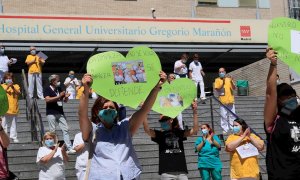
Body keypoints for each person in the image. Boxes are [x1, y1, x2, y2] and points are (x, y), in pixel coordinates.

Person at [79, 71, 167, 179]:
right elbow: (82, 115)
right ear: (97, 112)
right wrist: (86, 89)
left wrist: (156, 88)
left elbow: (144, 110)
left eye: (111, 108)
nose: (108, 110)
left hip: (129, 176)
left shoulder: (125, 127)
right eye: (105, 108)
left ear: (116, 111)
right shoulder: (92, 130)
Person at [264, 47, 300, 179]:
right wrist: (273, 64)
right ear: (278, 101)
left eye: (292, 94)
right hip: (282, 176)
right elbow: (270, 93)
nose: (291, 98)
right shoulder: (274, 120)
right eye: (286, 96)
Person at [143, 101, 198, 180]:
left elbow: (194, 130)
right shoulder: (160, 134)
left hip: (182, 172)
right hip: (166, 173)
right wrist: (144, 112)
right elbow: (147, 130)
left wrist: (195, 112)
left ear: (171, 120)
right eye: (161, 121)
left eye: (164, 120)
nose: (162, 123)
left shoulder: (179, 133)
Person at [44, 74, 75, 154]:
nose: (58, 81)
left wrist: (66, 97)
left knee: (65, 129)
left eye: (58, 80)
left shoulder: (59, 88)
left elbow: (64, 100)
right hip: (51, 112)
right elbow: (47, 100)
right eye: (56, 80)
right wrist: (58, 97)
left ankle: (69, 147)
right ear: (52, 81)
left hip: (60, 112)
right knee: (52, 131)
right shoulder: (47, 89)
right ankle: (52, 148)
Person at [214, 67, 236, 134]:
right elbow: (217, 89)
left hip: (230, 100)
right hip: (223, 100)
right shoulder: (217, 80)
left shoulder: (229, 79)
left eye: (222, 72)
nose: (221, 73)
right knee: (224, 115)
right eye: (220, 72)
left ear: (225, 72)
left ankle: (233, 127)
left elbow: (234, 88)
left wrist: (232, 81)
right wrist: (222, 83)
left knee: (232, 115)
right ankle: (225, 129)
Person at [1, 72, 21, 143]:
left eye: (10, 78)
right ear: (4, 79)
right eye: (7, 79)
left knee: (13, 124)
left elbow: (19, 93)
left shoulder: (16, 85)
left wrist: (12, 86)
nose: (8, 80)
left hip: (13, 108)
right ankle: (4, 137)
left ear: (12, 79)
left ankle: (14, 137)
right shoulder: (2, 85)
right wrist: (8, 86)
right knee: (4, 124)